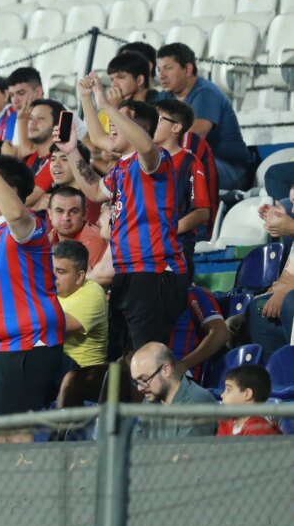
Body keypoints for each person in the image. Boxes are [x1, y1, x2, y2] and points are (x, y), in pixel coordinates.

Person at [64, 74, 188, 357]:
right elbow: (94, 191)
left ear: (140, 129)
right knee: (124, 361)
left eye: (119, 122)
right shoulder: (120, 169)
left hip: (154, 273)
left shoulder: (154, 160)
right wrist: (72, 149)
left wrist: (107, 105)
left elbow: (144, 146)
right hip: (127, 273)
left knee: (149, 360)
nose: (112, 128)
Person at [0, 151, 68, 437]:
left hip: (27, 343)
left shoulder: (26, 224)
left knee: (17, 432)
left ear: (10, 190)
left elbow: (17, 212)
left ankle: (28, 482)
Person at [156, 42, 250, 190]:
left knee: (180, 164)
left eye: (168, 68)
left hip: (231, 169)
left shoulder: (206, 93)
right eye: (159, 69)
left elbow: (192, 139)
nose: (161, 75)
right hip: (197, 161)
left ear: (187, 69)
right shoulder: (165, 96)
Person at [152, 98, 214, 266]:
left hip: (175, 247)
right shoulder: (143, 161)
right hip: (143, 243)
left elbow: (202, 211)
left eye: (157, 118)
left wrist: (170, 231)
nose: (151, 123)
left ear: (176, 127)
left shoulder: (190, 162)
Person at [53, 240, 109, 408]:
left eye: (61, 272)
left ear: (80, 276)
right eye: (51, 270)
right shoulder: (50, 291)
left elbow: (54, 326)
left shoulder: (92, 293)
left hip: (83, 374)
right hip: (58, 368)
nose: (52, 276)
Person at [130, 341, 217, 439]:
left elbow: (186, 452)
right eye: (137, 382)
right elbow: (135, 447)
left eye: (144, 380)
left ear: (166, 370)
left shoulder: (199, 403)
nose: (139, 388)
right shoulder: (149, 403)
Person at [168, 285, 229, 380]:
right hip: (152, 373)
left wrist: (183, 364)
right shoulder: (147, 300)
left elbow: (220, 333)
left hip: (181, 376)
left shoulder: (193, 293)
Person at [47, 186, 107, 269]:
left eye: (73, 212)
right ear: (50, 214)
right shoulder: (50, 237)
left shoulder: (94, 241)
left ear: (84, 213)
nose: (66, 218)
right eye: (60, 211)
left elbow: (71, 280)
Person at [217, 366, 281, 436]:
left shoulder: (259, 429)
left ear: (247, 394)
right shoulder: (226, 424)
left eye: (228, 390)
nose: (222, 395)